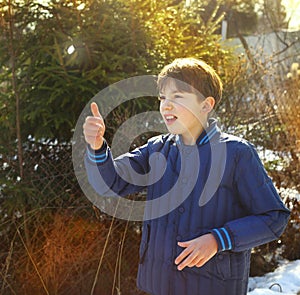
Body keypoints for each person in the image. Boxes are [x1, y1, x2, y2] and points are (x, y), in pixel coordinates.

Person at [83, 57, 290, 295]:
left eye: (177, 97)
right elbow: (111, 183)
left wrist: (218, 239)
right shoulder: (157, 148)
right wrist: (98, 147)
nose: (166, 106)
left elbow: (274, 218)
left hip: (212, 287)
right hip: (157, 286)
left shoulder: (236, 154)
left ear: (206, 104)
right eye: (163, 98)